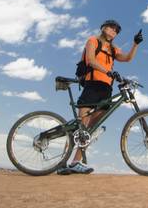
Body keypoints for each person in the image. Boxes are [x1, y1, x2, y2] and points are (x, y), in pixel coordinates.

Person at [58, 19, 143, 175]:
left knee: (90, 129)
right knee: (81, 126)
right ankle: (62, 163)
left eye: (116, 31)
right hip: (92, 86)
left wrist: (135, 44)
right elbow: (90, 60)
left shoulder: (112, 49)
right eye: (111, 28)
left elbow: (127, 58)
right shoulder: (93, 40)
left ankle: (76, 162)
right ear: (103, 28)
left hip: (106, 89)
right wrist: (108, 71)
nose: (113, 32)